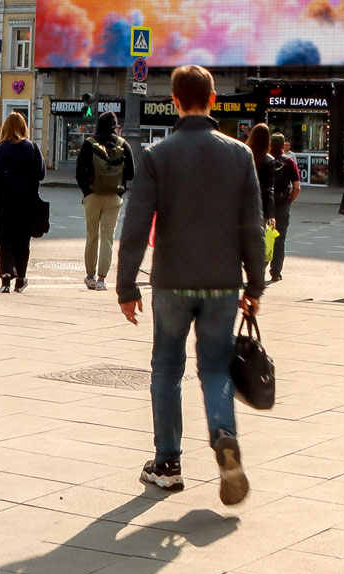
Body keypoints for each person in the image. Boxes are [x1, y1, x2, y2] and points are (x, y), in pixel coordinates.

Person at [118, 65, 263, 504]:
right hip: (222, 281)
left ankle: (167, 464)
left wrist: (127, 285)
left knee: (167, 368)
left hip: (172, 282)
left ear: (175, 102)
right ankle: (223, 436)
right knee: (215, 367)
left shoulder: (157, 156)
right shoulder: (240, 155)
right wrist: (255, 284)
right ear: (214, 100)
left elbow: (137, 224)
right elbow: (252, 228)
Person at [0, 111, 44, 292]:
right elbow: (41, 174)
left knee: (4, 241)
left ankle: (5, 279)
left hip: (3, 203)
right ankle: (21, 278)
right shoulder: (32, 147)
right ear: (23, 127)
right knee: (22, 242)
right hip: (26, 203)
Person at [76, 112, 133, 290]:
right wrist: (120, 190)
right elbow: (131, 173)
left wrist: (87, 191)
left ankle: (90, 276)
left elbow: (79, 173)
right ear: (115, 126)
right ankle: (102, 279)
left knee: (92, 236)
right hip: (114, 197)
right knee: (108, 238)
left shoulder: (89, 144)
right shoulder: (123, 145)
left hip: (92, 196)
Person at [268, 132, 302, 282]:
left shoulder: (262, 160)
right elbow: (297, 187)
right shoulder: (289, 162)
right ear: (283, 146)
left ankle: (256, 270)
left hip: (263, 203)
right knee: (279, 239)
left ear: (270, 145)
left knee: (261, 237)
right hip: (282, 203)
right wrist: (289, 200)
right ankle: (276, 272)